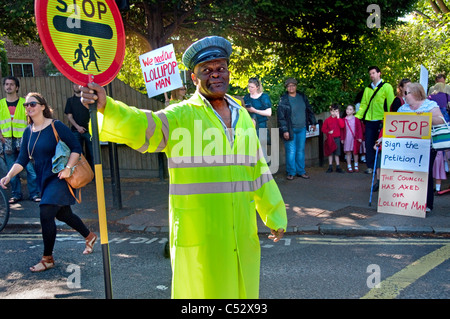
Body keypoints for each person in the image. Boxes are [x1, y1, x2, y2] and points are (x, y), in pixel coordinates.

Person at [80, 36, 287, 299]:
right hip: (201, 233)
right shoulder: (181, 115)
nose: (216, 75)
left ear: (229, 72)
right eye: (207, 70)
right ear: (193, 77)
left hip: (241, 231)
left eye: (220, 68)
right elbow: (145, 125)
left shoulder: (242, 115)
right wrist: (106, 107)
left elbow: (258, 171)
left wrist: (274, 215)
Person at [0, 92, 97, 272]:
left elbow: (76, 148)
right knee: (63, 214)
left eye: (33, 104)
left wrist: (68, 167)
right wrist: (8, 176)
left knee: (46, 211)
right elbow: (22, 160)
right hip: (43, 179)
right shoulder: (28, 132)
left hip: (59, 177)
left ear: (43, 106)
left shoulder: (56, 125)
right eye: (26, 105)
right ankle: (89, 236)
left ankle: (47, 258)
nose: (29, 107)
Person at [397, 83, 446, 212]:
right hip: (407, 147)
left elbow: (441, 120)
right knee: (409, 174)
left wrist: (425, 117)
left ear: (415, 94)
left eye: (406, 93)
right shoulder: (402, 109)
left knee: (425, 173)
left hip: (427, 146)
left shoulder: (430, 105)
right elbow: (394, 127)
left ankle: (427, 204)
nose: (404, 96)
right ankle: (408, 202)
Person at [0, 76, 40, 203]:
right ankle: (16, 194)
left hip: (23, 140)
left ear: (17, 87)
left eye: (11, 84)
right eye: (6, 84)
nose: (9, 86)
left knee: (30, 169)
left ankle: (34, 194)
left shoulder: (25, 103)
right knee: (12, 169)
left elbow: (32, 119)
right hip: (6, 140)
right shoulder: (0, 104)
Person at [355, 66, 395, 174]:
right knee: (368, 143)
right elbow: (363, 104)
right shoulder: (368, 89)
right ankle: (370, 166)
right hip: (369, 119)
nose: (371, 75)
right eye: (370, 74)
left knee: (380, 144)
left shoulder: (387, 87)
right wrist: (358, 117)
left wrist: (389, 118)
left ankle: (381, 167)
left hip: (381, 119)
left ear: (379, 73)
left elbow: (390, 103)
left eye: (373, 73)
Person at [277, 77, 316, 180]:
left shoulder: (302, 97)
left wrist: (313, 122)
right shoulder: (283, 99)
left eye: (293, 85)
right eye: (289, 86)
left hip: (302, 128)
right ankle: (291, 172)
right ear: (286, 87)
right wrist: (285, 130)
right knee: (291, 151)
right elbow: (281, 117)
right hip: (290, 129)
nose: (291, 87)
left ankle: (301, 171)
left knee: (300, 151)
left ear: (296, 86)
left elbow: (309, 109)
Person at [64, 82, 94, 170]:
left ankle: (94, 175)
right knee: (78, 155)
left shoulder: (87, 101)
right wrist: (78, 127)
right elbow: (69, 117)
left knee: (93, 154)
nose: (76, 86)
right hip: (75, 132)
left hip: (89, 131)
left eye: (78, 84)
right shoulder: (70, 101)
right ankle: (82, 176)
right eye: (74, 84)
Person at [322, 104, 345, 173]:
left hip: (337, 138)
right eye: (333, 111)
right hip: (330, 138)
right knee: (330, 153)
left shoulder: (339, 119)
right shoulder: (327, 120)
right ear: (330, 111)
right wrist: (328, 132)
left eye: (336, 111)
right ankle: (330, 166)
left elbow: (342, 126)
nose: (334, 113)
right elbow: (323, 129)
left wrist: (338, 118)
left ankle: (338, 166)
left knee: (337, 153)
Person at [342, 105, 363, 172]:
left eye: (350, 109)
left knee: (355, 152)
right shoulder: (344, 120)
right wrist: (342, 138)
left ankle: (356, 165)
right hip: (347, 138)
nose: (348, 110)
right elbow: (342, 130)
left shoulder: (356, 119)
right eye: (347, 109)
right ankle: (349, 165)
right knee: (348, 152)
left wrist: (360, 137)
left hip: (355, 138)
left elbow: (359, 129)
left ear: (354, 111)